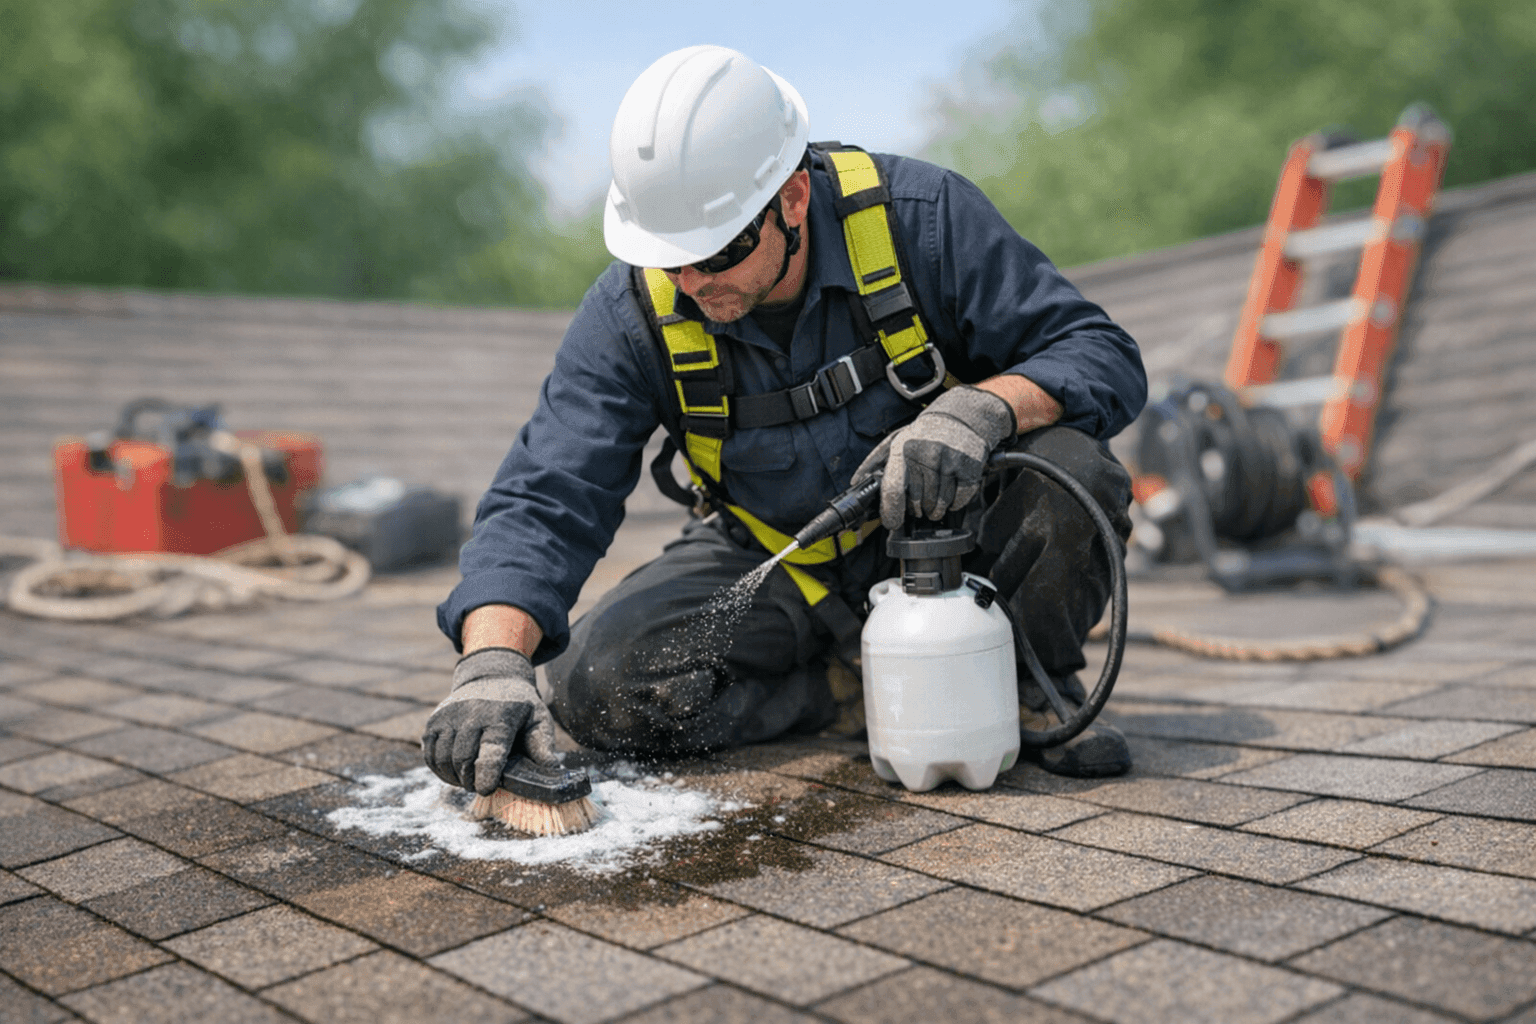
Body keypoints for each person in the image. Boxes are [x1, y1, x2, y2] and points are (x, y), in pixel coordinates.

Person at [423, 45, 1146, 799]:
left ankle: (1024, 685)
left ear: (793, 198)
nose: (695, 284)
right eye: (674, 262)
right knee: (594, 683)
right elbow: (549, 490)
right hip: (780, 565)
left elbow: (1101, 354)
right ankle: (845, 694)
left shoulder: (922, 220)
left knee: (1075, 470)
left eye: (719, 252)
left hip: (953, 557)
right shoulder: (631, 314)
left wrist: (984, 409)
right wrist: (491, 662)